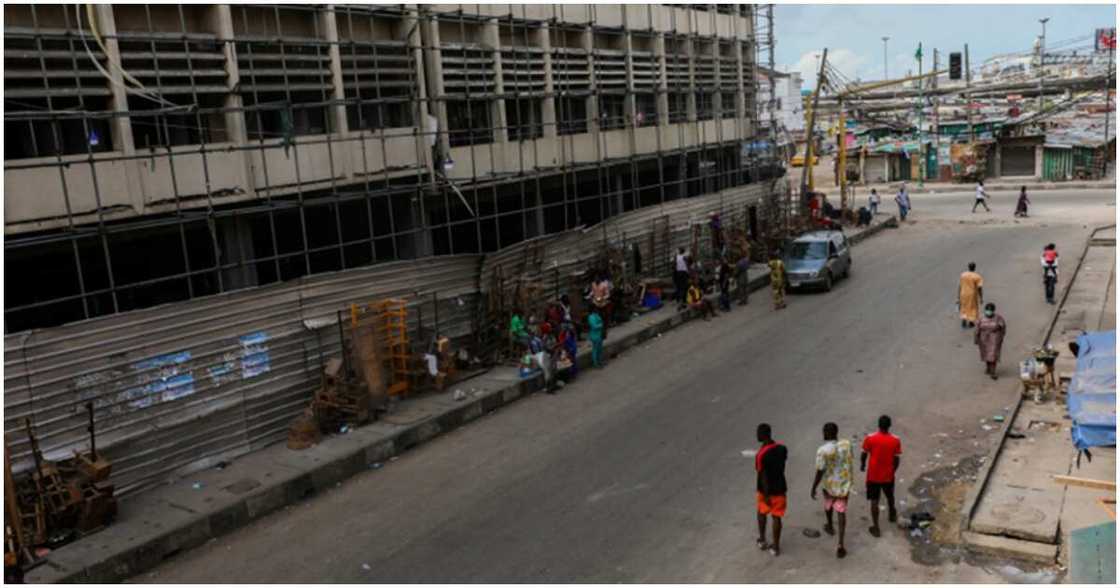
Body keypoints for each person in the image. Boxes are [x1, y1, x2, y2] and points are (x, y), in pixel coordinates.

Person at [811, 422, 854, 559]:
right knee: (841, 511)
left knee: (828, 504)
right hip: (843, 485)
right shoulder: (847, 444)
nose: (823, 433)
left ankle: (829, 525)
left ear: (828, 433)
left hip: (829, 485)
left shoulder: (822, 450)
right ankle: (840, 543)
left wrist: (813, 487)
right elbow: (849, 460)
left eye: (824, 431)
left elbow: (820, 470)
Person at [861, 415, 902, 538]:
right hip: (887, 475)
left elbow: (864, 454)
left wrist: (862, 465)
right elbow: (896, 459)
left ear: (878, 424)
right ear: (889, 426)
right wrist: (893, 471)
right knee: (890, 495)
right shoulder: (895, 440)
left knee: (874, 501)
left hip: (873, 475)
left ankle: (876, 527)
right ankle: (892, 513)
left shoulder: (870, 438)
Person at [755, 423, 788, 557]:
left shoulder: (761, 455)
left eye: (758, 433)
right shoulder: (782, 448)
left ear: (763, 435)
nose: (756, 435)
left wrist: (767, 494)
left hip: (765, 491)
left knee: (761, 513)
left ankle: (762, 540)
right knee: (777, 517)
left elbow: (762, 475)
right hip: (780, 488)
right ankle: (776, 547)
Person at [974, 302, 1007, 380]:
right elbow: (977, 329)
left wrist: (1000, 336)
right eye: (987, 310)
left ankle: (993, 371)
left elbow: (1003, 327)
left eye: (990, 310)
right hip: (984, 340)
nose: (989, 311)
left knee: (993, 355)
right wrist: (976, 339)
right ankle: (988, 367)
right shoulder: (981, 318)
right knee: (986, 354)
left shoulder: (998, 318)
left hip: (994, 339)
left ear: (993, 311)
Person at [958, 262, 984, 329]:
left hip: (963, 293)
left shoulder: (963, 275)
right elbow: (979, 288)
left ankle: (963, 320)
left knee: (964, 306)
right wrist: (981, 297)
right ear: (974, 267)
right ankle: (970, 322)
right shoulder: (977, 276)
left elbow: (960, 286)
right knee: (972, 308)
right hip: (972, 294)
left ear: (968, 267)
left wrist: (958, 296)